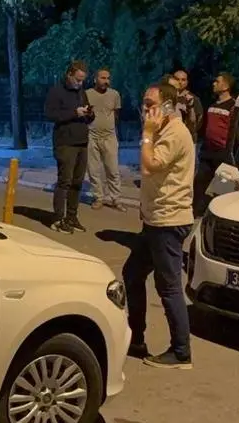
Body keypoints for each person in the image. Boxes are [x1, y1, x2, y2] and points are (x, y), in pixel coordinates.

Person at [124, 81, 196, 369]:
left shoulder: (175, 133)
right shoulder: (163, 131)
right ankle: (136, 338)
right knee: (132, 273)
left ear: (167, 106)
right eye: (144, 104)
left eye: (150, 105)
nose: (145, 110)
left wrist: (146, 134)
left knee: (169, 287)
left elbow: (148, 166)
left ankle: (181, 352)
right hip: (155, 219)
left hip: (168, 221)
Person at [44, 60, 93, 233]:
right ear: (69, 75)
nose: (80, 83)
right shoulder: (56, 91)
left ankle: (72, 216)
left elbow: (87, 116)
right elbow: (50, 114)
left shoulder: (81, 92)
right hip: (65, 143)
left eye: (82, 80)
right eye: (78, 79)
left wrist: (89, 113)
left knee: (77, 182)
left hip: (82, 141)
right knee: (64, 182)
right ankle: (58, 219)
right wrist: (74, 113)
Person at [194, 71, 236, 214]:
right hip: (207, 151)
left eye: (217, 81)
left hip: (223, 153)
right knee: (200, 182)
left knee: (223, 186)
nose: (214, 84)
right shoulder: (212, 105)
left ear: (226, 86)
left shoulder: (233, 106)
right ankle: (196, 210)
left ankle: (220, 212)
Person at [85, 68, 125, 212]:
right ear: (95, 79)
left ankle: (116, 199)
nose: (106, 81)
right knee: (93, 170)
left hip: (109, 137)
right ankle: (98, 198)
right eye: (103, 78)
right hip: (91, 136)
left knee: (113, 170)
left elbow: (116, 114)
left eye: (108, 78)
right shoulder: (87, 94)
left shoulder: (114, 94)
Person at [167, 69, 204, 135]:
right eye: (177, 79)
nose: (180, 82)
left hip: (186, 136)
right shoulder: (166, 97)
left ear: (187, 82)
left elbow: (198, 122)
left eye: (183, 80)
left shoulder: (193, 99)